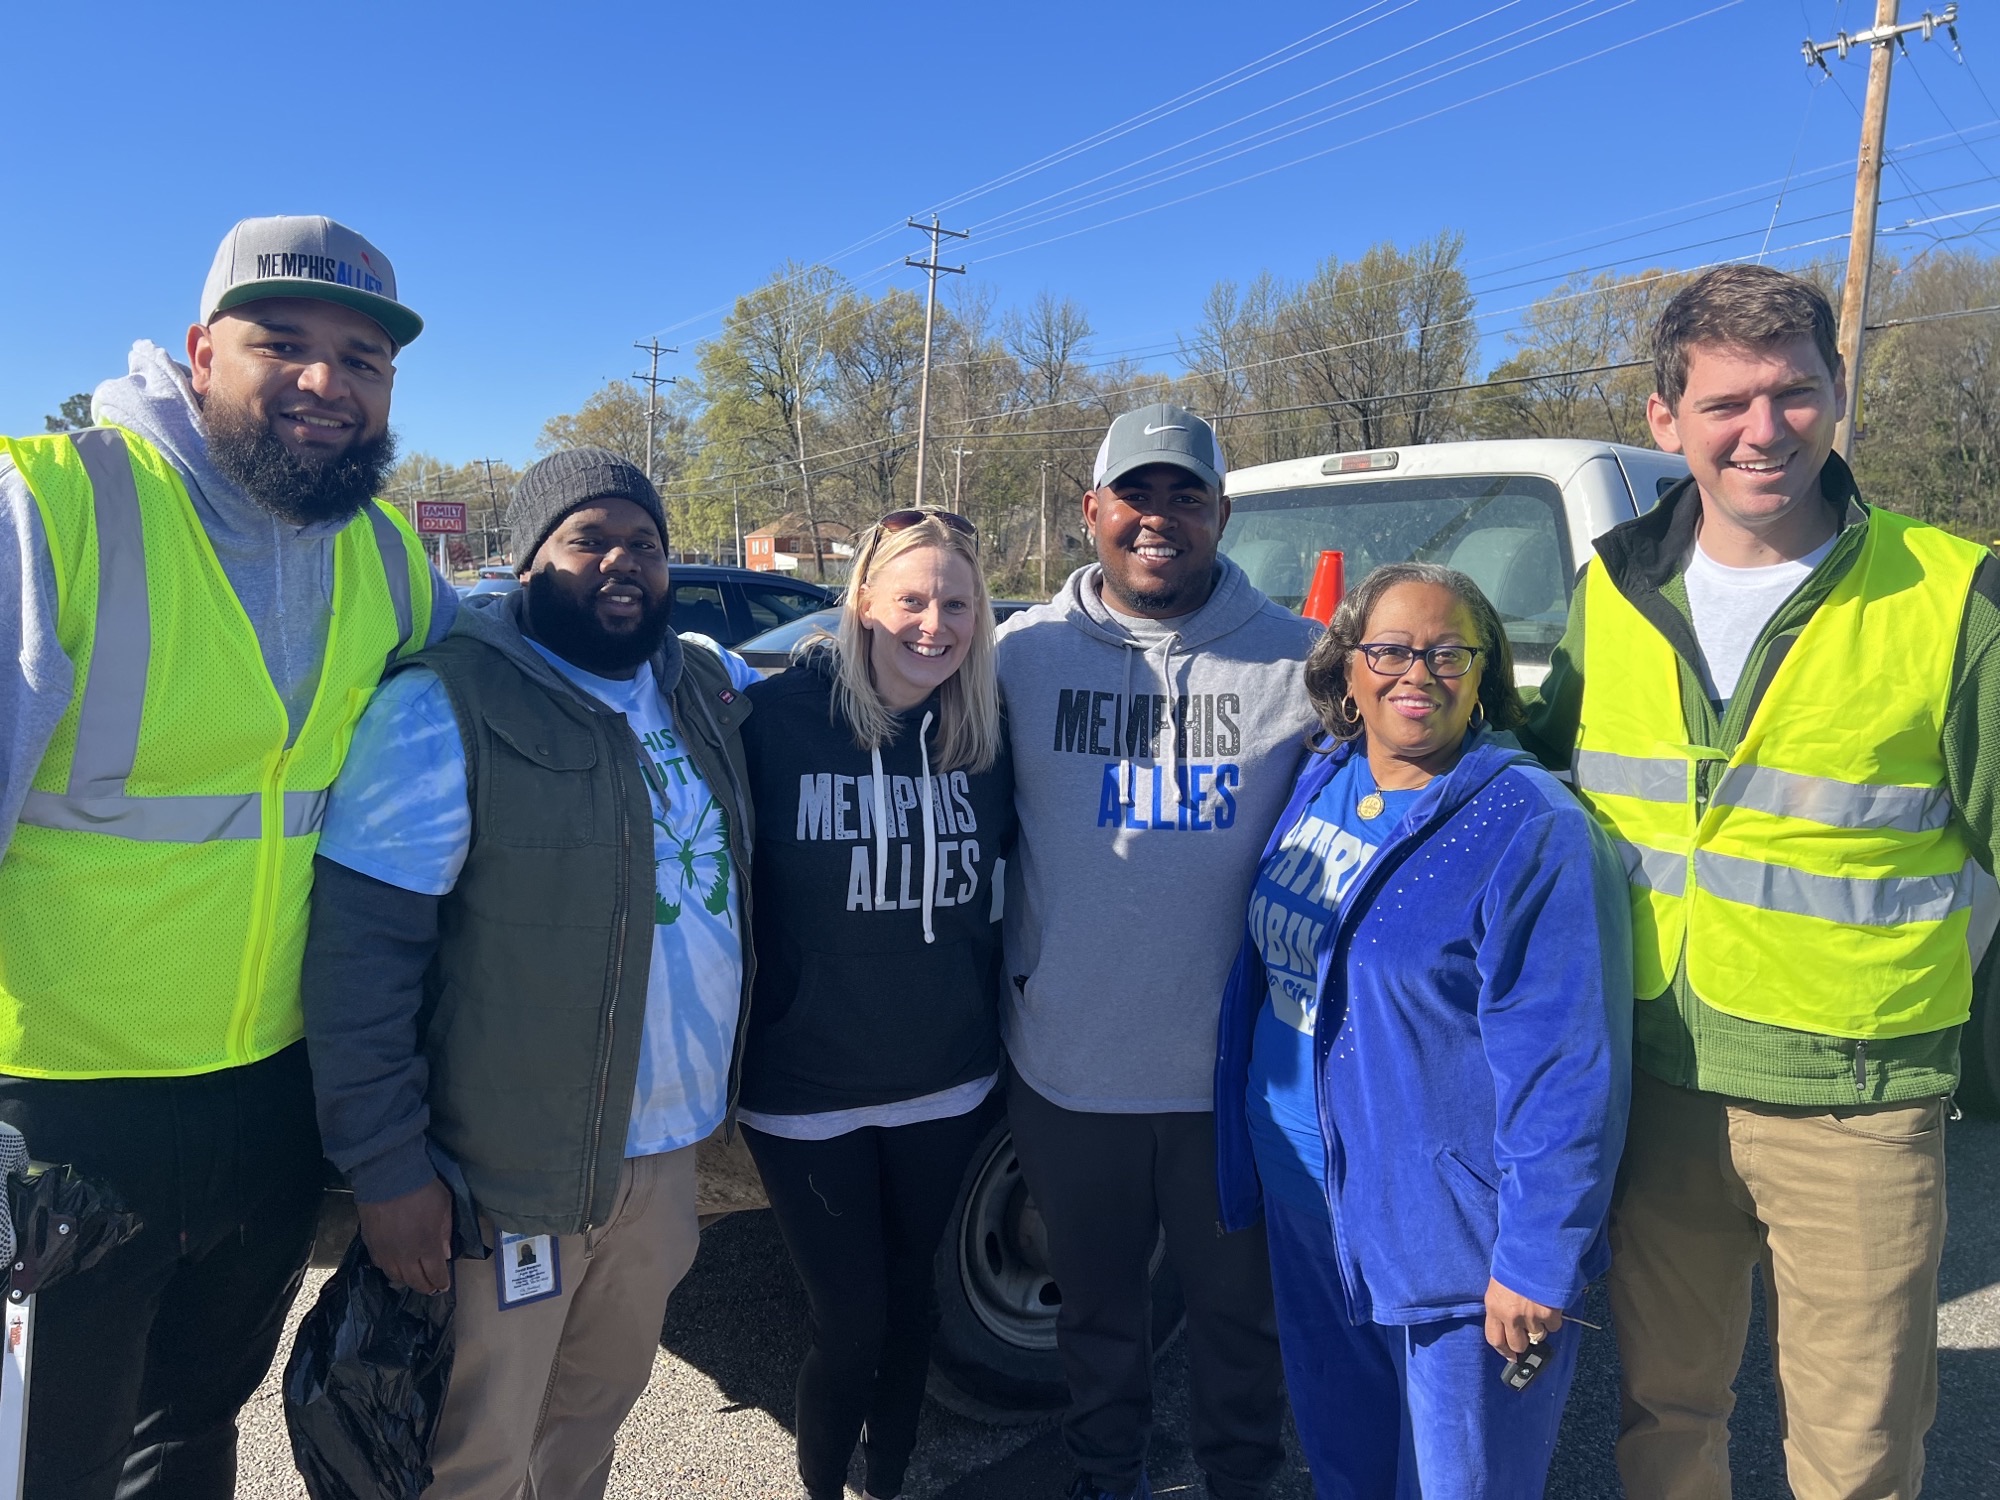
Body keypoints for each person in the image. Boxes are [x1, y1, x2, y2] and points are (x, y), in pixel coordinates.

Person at [1523, 263, 2000, 1499]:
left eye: (1793, 393)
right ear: (1661, 419)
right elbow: (1533, 806)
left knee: (1854, 1453)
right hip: (1657, 1082)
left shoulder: (1951, 597)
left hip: (1855, 1097)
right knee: (1660, 1417)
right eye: (1726, 402)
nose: (1762, 430)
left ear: (1838, 395)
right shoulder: (1607, 594)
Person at [0, 214, 450, 1499]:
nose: (327, 382)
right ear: (201, 351)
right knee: (44, 1465)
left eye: (363, 358)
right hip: (58, 1115)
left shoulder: (384, 558)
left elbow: (521, 674)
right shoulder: (52, 505)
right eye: (284, 343)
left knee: (190, 1435)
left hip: (266, 1101)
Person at [300, 448, 757, 1499]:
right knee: (474, 1454)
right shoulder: (443, 709)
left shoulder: (693, 690)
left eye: (642, 541)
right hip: (507, 1179)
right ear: (525, 560)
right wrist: (385, 1168)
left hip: (665, 1158)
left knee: (586, 1429)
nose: (620, 562)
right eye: (586, 538)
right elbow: (359, 961)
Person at [1215, 562, 1632, 1497]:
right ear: (1349, 670)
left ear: (1485, 673)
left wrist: (1538, 1256)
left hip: (1451, 1247)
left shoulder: (1531, 828)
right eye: (1391, 650)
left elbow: (1569, 1067)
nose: (1418, 672)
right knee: (1346, 1468)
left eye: (1449, 652)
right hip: (1309, 1206)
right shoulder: (1319, 776)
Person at [995, 404, 1318, 1500]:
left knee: (1239, 1322)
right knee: (1095, 1317)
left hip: (1228, 1086)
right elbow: (891, 694)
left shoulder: (1299, 665)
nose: (1158, 518)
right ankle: (1104, 1480)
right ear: (1091, 510)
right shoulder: (1018, 659)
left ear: (1220, 512)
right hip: (1068, 1069)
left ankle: (1240, 1481)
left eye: (1186, 495)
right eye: (1135, 494)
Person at [736, 507, 1016, 1500]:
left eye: (954, 602)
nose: (932, 623)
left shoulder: (984, 734)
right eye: (910, 598)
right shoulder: (770, 724)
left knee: (913, 1317)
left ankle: (888, 1482)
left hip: (945, 1077)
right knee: (846, 1323)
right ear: (861, 601)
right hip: (805, 1086)